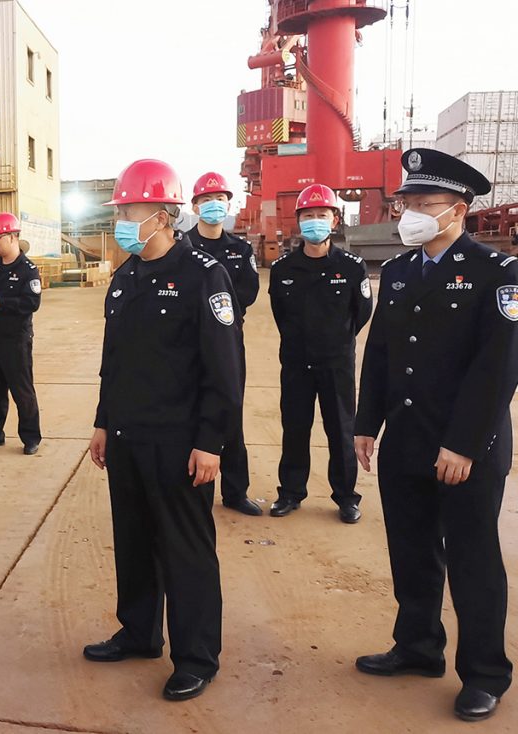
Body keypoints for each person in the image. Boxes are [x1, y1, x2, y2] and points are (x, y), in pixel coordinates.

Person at [355, 148, 518, 723]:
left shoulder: (497, 273)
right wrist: (366, 424)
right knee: (412, 551)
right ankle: (418, 647)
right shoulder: (400, 271)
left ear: (459, 210)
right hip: (406, 437)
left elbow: (497, 368)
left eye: (426, 204)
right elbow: (380, 351)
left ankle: (485, 674)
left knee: (473, 560)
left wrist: (464, 444)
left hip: (465, 446)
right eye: (409, 204)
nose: (413, 214)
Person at [84, 159, 243, 702]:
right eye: (121, 211)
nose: (122, 222)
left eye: (130, 211)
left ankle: (196, 656)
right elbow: (114, 361)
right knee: (133, 541)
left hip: (180, 442)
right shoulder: (125, 277)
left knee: (186, 550)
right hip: (127, 436)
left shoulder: (203, 275)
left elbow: (224, 370)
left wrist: (211, 442)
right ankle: (139, 633)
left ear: (162, 214)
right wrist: (103, 422)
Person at [268, 184, 372, 523]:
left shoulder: (352, 267)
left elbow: (361, 313)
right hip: (296, 363)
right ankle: (290, 492)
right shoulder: (283, 269)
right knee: (295, 428)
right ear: (299, 221)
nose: (315, 221)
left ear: (335, 220)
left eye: (321, 215)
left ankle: (346, 497)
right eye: (308, 215)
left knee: (341, 431)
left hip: (336, 364)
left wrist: (337, 341)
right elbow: (280, 314)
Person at [184, 171, 261, 516]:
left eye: (219, 199)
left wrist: (217, 313)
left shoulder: (240, 249)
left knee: (229, 411)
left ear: (228, 204)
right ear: (195, 206)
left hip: (227, 342)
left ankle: (235, 491)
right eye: (206, 199)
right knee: (190, 413)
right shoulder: (182, 246)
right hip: (187, 343)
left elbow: (248, 291)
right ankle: (192, 487)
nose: (214, 205)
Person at [0, 212, 42, 455]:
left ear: (13, 237)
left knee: (22, 390)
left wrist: (1, 303)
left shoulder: (27, 270)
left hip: (17, 340)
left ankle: (31, 437)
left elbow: (32, 302)